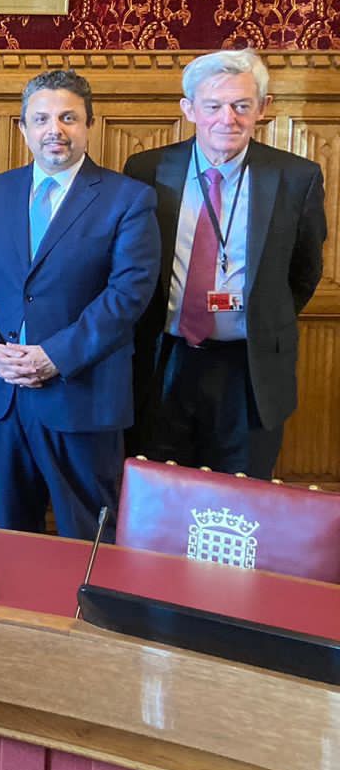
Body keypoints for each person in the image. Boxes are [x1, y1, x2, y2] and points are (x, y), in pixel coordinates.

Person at [0, 70, 160, 540]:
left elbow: (128, 292)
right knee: (9, 534)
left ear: (89, 125)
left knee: (88, 536)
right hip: (2, 391)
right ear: (23, 128)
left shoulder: (128, 198)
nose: (54, 130)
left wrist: (55, 356)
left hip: (81, 391)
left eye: (68, 117)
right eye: (41, 119)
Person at [123, 50, 327, 479]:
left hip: (249, 367)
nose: (227, 119)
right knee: (159, 491)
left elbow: (304, 271)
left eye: (241, 105)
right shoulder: (147, 170)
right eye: (213, 106)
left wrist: (261, 315)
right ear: (189, 109)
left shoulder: (296, 177)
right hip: (164, 358)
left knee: (241, 496)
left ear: (263, 108)